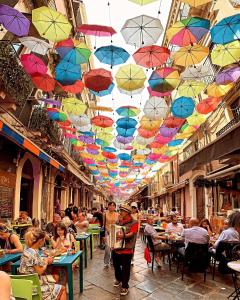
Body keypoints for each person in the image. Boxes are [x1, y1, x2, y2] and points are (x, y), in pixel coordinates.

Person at [19, 228, 66, 300]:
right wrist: (46, 262)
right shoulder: (33, 254)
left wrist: (44, 261)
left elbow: (34, 265)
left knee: (55, 277)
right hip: (34, 288)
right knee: (62, 288)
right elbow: (40, 271)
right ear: (41, 240)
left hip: (25, 284)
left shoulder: (27, 250)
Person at [112, 204, 138, 296]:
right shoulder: (118, 221)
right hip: (116, 248)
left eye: (122, 211)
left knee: (126, 269)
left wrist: (122, 236)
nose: (120, 212)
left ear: (127, 212)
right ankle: (119, 278)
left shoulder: (135, 223)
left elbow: (132, 233)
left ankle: (125, 286)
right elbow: (114, 230)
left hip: (127, 249)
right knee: (116, 266)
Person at [103, 201, 119, 268]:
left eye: (113, 205)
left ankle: (112, 261)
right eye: (110, 205)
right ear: (108, 206)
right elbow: (103, 225)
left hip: (115, 232)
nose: (111, 207)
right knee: (107, 248)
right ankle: (106, 262)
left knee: (114, 248)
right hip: (107, 232)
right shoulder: (105, 214)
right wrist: (103, 235)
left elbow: (118, 224)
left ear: (115, 207)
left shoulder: (118, 214)